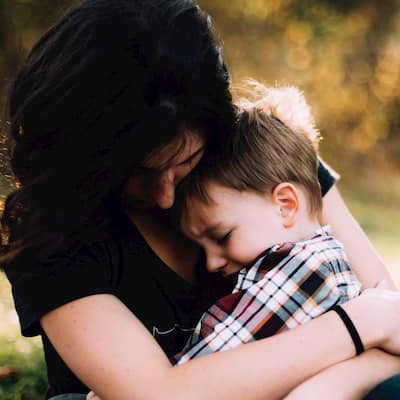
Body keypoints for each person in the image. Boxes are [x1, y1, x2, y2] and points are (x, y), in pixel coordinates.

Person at [1, 1, 400, 399]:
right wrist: (359, 324)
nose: (165, 197)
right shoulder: (51, 235)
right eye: (138, 174)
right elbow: (156, 395)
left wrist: (328, 386)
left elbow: (394, 329)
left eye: (185, 161)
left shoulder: (262, 164)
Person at [173, 83, 363, 363]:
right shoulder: (318, 262)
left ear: (285, 205)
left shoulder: (306, 269)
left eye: (222, 236)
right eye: (202, 248)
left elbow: (204, 365)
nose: (211, 263)